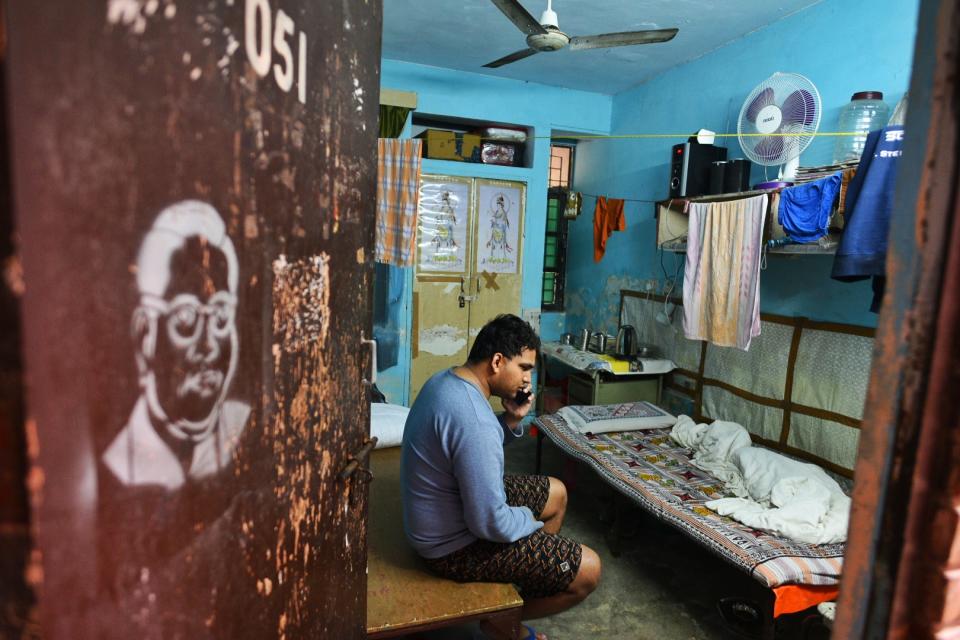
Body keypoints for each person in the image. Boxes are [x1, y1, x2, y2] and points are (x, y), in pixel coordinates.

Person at [401, 314, 601, 640]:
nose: (526, 381)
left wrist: (510, 419)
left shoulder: (447, 381)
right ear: (497, 361)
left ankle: (515, 592)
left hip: (442, 512)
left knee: (557, 492)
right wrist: (528, 522)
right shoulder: (475, 421)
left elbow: (466, 449)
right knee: (589, 570)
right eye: (523, 368)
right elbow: (489, 524)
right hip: (451, 548)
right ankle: (503, 620)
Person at [101, 200, 249, 489]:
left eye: (220, 316)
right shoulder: (121, 466)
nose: (209, 346)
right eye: (185, 319)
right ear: (146, 334)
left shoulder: (243, 426)